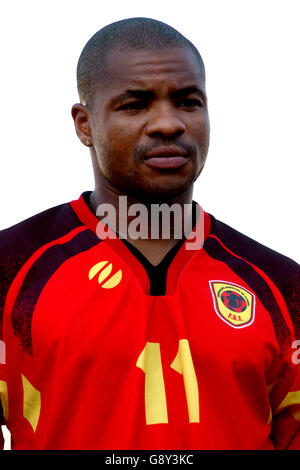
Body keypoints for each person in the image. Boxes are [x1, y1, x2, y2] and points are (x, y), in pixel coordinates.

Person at [0, 17, 299, 451]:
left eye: (188, 102)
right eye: (135, 104)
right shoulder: (12, 271)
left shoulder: (279, 285)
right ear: (84, 124)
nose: (168, 124)